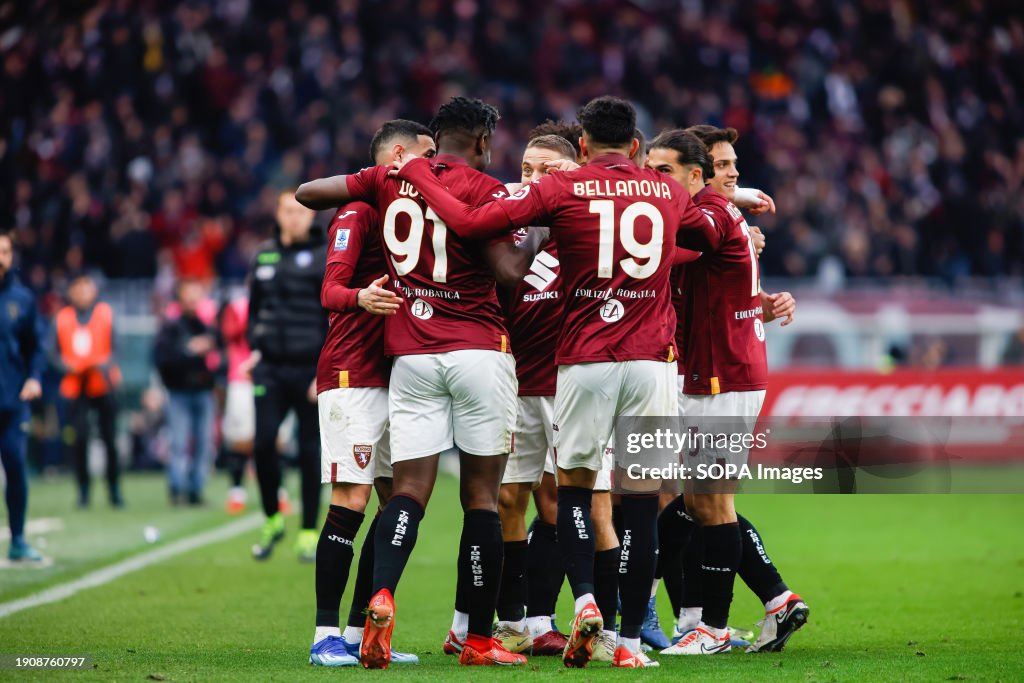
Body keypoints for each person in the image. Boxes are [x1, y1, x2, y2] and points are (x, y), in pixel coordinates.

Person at [392, 95, 769, 668]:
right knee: (639, 502)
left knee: (571, 490)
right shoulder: (664, 190)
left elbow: (470, 223)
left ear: (584, 145)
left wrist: (419, 172)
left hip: (585, 360)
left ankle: (586, 601)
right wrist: (734, 200)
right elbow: (708, 231)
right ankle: (630, 643)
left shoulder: (563, 189)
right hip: (652, 364)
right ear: (636, 146)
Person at [296, 96, 547, 668]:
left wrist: (387, 175)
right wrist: (539, 227)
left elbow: (309, 191)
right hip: (476, 350)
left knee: (405, 492)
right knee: (481, 498)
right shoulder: (483, 188)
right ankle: (475, 638)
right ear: (483, 141)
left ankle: (377, 601)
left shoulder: (388, 184)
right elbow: (509, 271)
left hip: (409, 356)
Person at [644, 127, 807, 656]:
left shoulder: (711, 216)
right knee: (699, 502)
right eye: (724, 165)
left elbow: (670, 241)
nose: (732, 172)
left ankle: (708, 626)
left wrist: (732, 200)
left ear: (693, 175)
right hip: (714, 373)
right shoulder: (719, 212)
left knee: (709, 502)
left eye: (733, 164)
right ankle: (762, 604)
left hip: (720, 378)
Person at [307, 119, 435, 667]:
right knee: (351, 500)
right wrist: (360, 297)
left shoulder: (411, 213)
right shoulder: (358, 211)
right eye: (429, 153)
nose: (436, 164)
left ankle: (363, 631)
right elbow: (330, 288)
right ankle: (323, 636)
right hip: (352, 375)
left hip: (398, 377)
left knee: (393, 504)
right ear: (400, 155)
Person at [246, 190, 327, 562]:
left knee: (310, 450)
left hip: (310, 369)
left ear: (310, 216)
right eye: (288, 211)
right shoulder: (264, 255)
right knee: (263, 443)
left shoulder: (324, 256)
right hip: (270, 368)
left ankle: (308, 530)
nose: (294, 217)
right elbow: (254, 309)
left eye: (300, 211)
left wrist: (324, 368)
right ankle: (273, 518)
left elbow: (332, 316)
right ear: (278, 215)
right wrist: (255, 348)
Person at [53, 273, 123, 508]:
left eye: (86, 288)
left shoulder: (105, 313)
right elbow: (51, 352)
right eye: (78, 288)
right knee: (79, 439)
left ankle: (114, 489)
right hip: (75, 386)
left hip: (102, 384)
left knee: (109, 439)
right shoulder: (62, 318)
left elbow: (116, 348)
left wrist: (104, 364)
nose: (83, 293)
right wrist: (66, 365)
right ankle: (83, 490)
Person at [0, 231, 47, 562]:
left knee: (16, 466)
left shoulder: (23, 299)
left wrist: (34, 378)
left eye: (4, 251)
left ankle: (17, 539)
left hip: (12, 402)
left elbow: (37, 347)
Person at [154, 279, 221, 506]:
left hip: (203, 391)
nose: (193, 301)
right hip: (179, 392)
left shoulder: (206, 327)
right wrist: (189, 351)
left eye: (196, 296)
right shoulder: (171, 328)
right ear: (180, 299)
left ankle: (195, 489)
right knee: (179, 443)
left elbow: (220, 354)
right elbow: (162, 359)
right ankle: (176, 488)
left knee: (203, 444)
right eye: (188, 296)